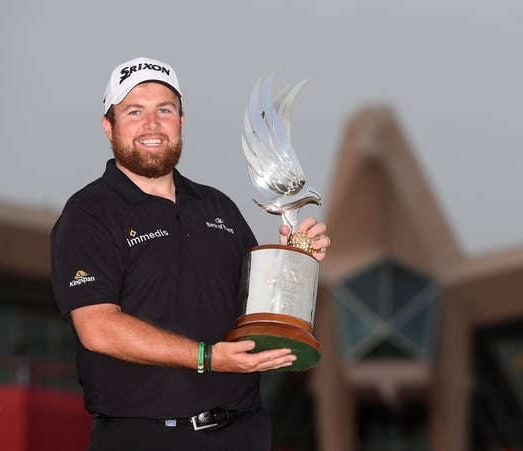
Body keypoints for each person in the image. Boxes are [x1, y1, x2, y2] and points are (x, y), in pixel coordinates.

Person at [50, 56, 330, 451]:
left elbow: (253, 304)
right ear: (108, 127)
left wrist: (292, 260)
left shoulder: (217, 207)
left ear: (181, 120)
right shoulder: (88, 214)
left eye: (164, 110)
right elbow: (98, 328)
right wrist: (207, 357)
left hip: (243, 432)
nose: (152, 125)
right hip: (145, 437)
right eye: (134, 111)